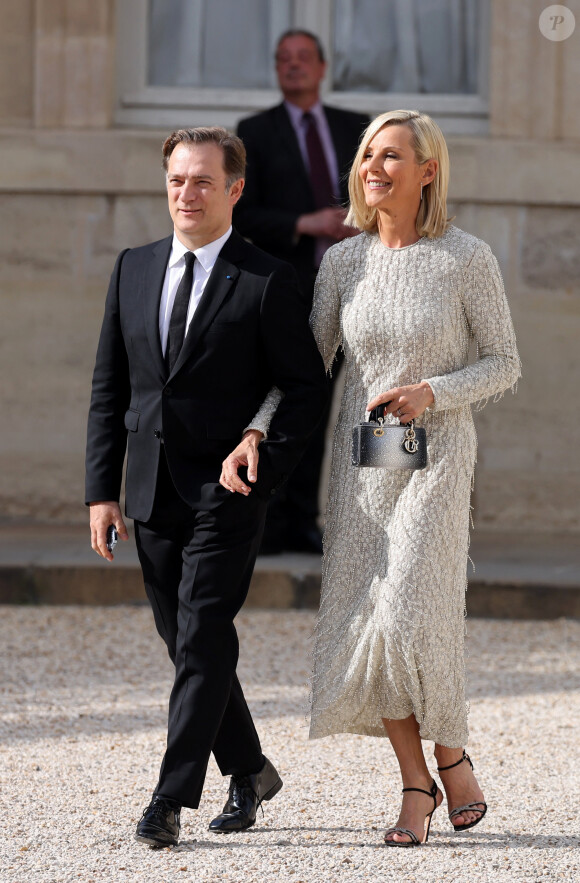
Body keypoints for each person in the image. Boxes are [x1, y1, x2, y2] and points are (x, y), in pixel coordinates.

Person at [222, 110, 521, 846]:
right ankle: (425, 774)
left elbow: (506, 362)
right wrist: (257, 424)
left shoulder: (465, 257)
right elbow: (306, 363)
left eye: (391, 156)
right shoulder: (343, 262)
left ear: (428, 171)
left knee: (409, 614)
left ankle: (443, 759)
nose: (372, 167)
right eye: (366, 155)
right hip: (364, 467)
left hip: (438, 458)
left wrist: (433, 392)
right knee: (371, 622)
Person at [85, 127, 328, 848]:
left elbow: (305, 388)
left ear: (235, 190)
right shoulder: (133, 267)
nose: (186, 193)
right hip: (149, 491)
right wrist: (101, 489)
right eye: (176, 180)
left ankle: (169, 796)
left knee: (201, 635)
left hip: (229, 494)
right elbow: (109, 388)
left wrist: (263, 465)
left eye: (202, 181)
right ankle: (249, 766)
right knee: (188, 642)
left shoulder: (265, 277)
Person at [235, 29, 368, 554]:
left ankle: (308, 521)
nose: (293, 67)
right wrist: (305, 222)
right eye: (283, 60)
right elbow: (242, 214)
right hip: (284, 292)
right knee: (275, 408)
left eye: (303, 59)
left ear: (322, 67)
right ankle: (267, 518)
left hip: (349, 292)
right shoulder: (255, 131)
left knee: (327, 408)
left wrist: (363, 221)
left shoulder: (355, 128)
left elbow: (379, 191)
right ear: (275, 69)